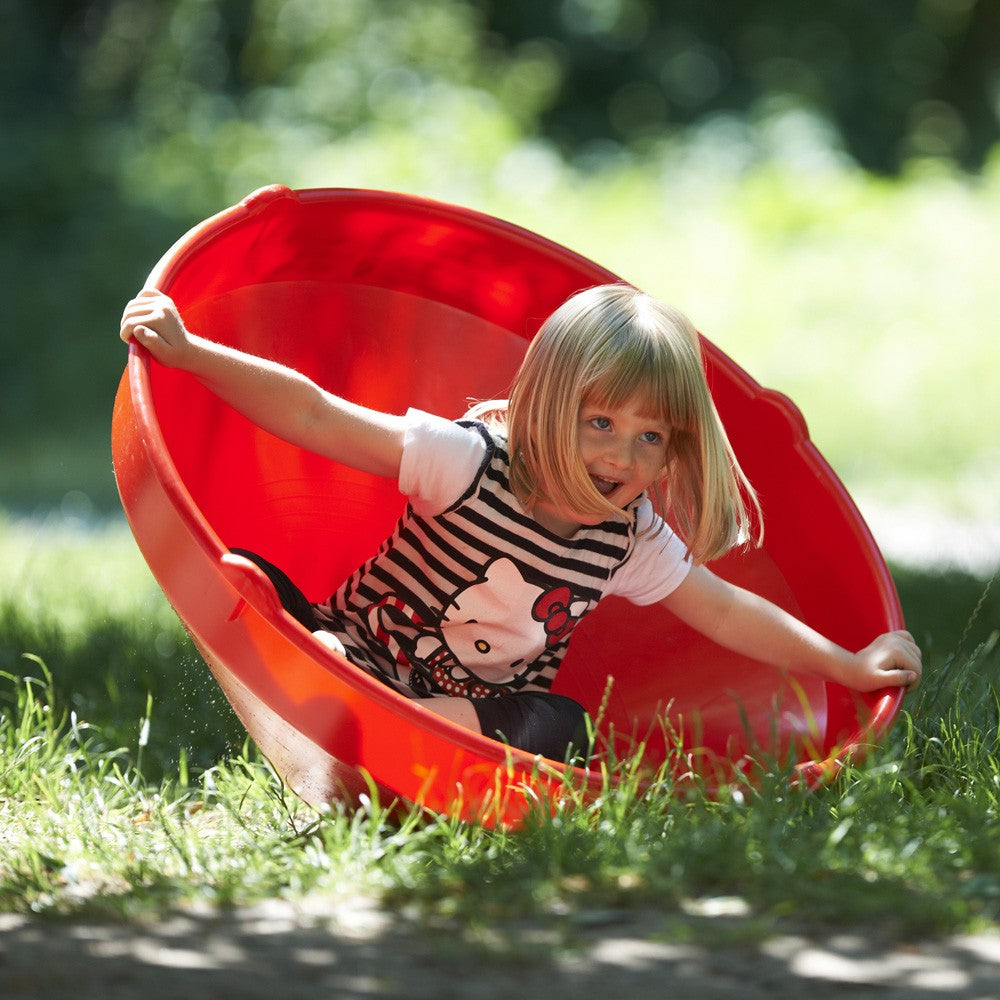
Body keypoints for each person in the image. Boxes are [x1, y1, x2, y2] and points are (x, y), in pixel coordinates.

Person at [119, 283, 921, 762]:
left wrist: (847, 667)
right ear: (545, 405)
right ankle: (335, 685)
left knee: (565, 725)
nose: (622, 455)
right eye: (599, 423)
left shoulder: (628, 535)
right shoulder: (467, 461)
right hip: (359, 651)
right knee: (265, 583)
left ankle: (409, 732)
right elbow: (317, 415)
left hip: (471, 714)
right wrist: (192, 351)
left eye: (652, 437)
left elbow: (725, 611)